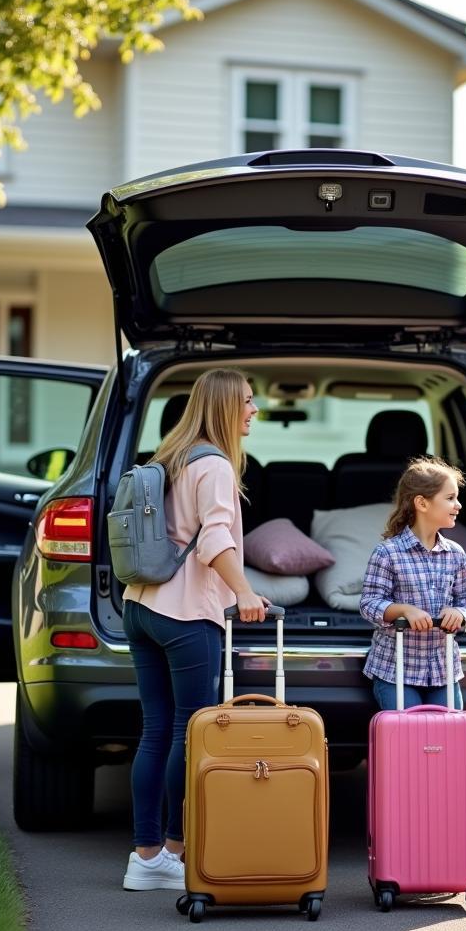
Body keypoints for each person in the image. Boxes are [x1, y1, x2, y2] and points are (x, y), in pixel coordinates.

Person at [121, 368, 267, 891]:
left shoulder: (172, 457)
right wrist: (245, 592)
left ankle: (145, 857)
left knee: (156, 731)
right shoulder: (218, 466)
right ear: (226, 406)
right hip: (184, 613)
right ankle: (177, 853)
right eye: (248, 401)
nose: (254, 410)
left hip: (140, 604)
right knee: (190, 732)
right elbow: (214, 540)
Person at [360, 457, 466, 711]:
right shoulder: (388, 553)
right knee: (407, 738)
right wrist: (404, 610)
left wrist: (459, 613)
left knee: (447, 739)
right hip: (396, 670)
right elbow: (369, 604)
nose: (458, 505)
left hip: (442, 670)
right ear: (422, 503)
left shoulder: (455, 554)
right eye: (449, 498)